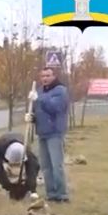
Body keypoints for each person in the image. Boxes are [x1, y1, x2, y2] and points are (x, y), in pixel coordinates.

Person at [27, 67, 69, 202]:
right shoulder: (39, 91)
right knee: (45, 166)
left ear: (54, 76)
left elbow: (55, 108)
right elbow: (39, 111)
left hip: (55, 132)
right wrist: (31, 117)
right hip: (42, 132)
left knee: (56, 165)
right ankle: (51, 194)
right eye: (42, 76)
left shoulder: (60, 90)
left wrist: (39, 99)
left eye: (48, 75)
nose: (45, 78)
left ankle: (62, 194)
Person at [0, 133, 41, 201]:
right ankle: (7, 187)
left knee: (32, 164)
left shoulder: (26, 148)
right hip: (2, 148)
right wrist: (8, 186)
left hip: (21, 143)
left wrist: (30, 187)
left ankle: (29, 188)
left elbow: (34, 166)